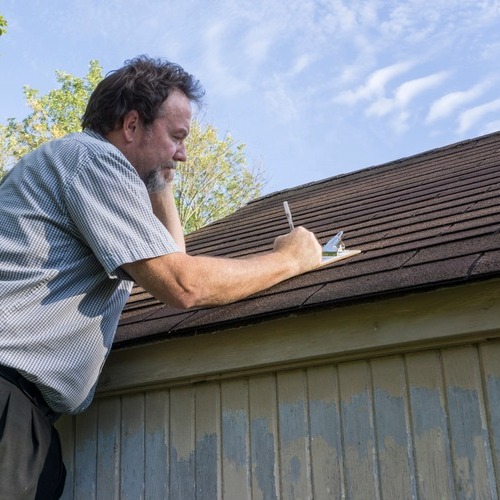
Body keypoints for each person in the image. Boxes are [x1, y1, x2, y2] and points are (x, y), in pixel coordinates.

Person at [0, 55, 322, 498]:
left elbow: (171, 257)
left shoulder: (80, 167)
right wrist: (292, 260)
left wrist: (161, 182)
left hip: (23, 413)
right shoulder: (91, 159)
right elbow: (183, 284)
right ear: (132, 126)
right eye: (177, 137)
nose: (184, 154)